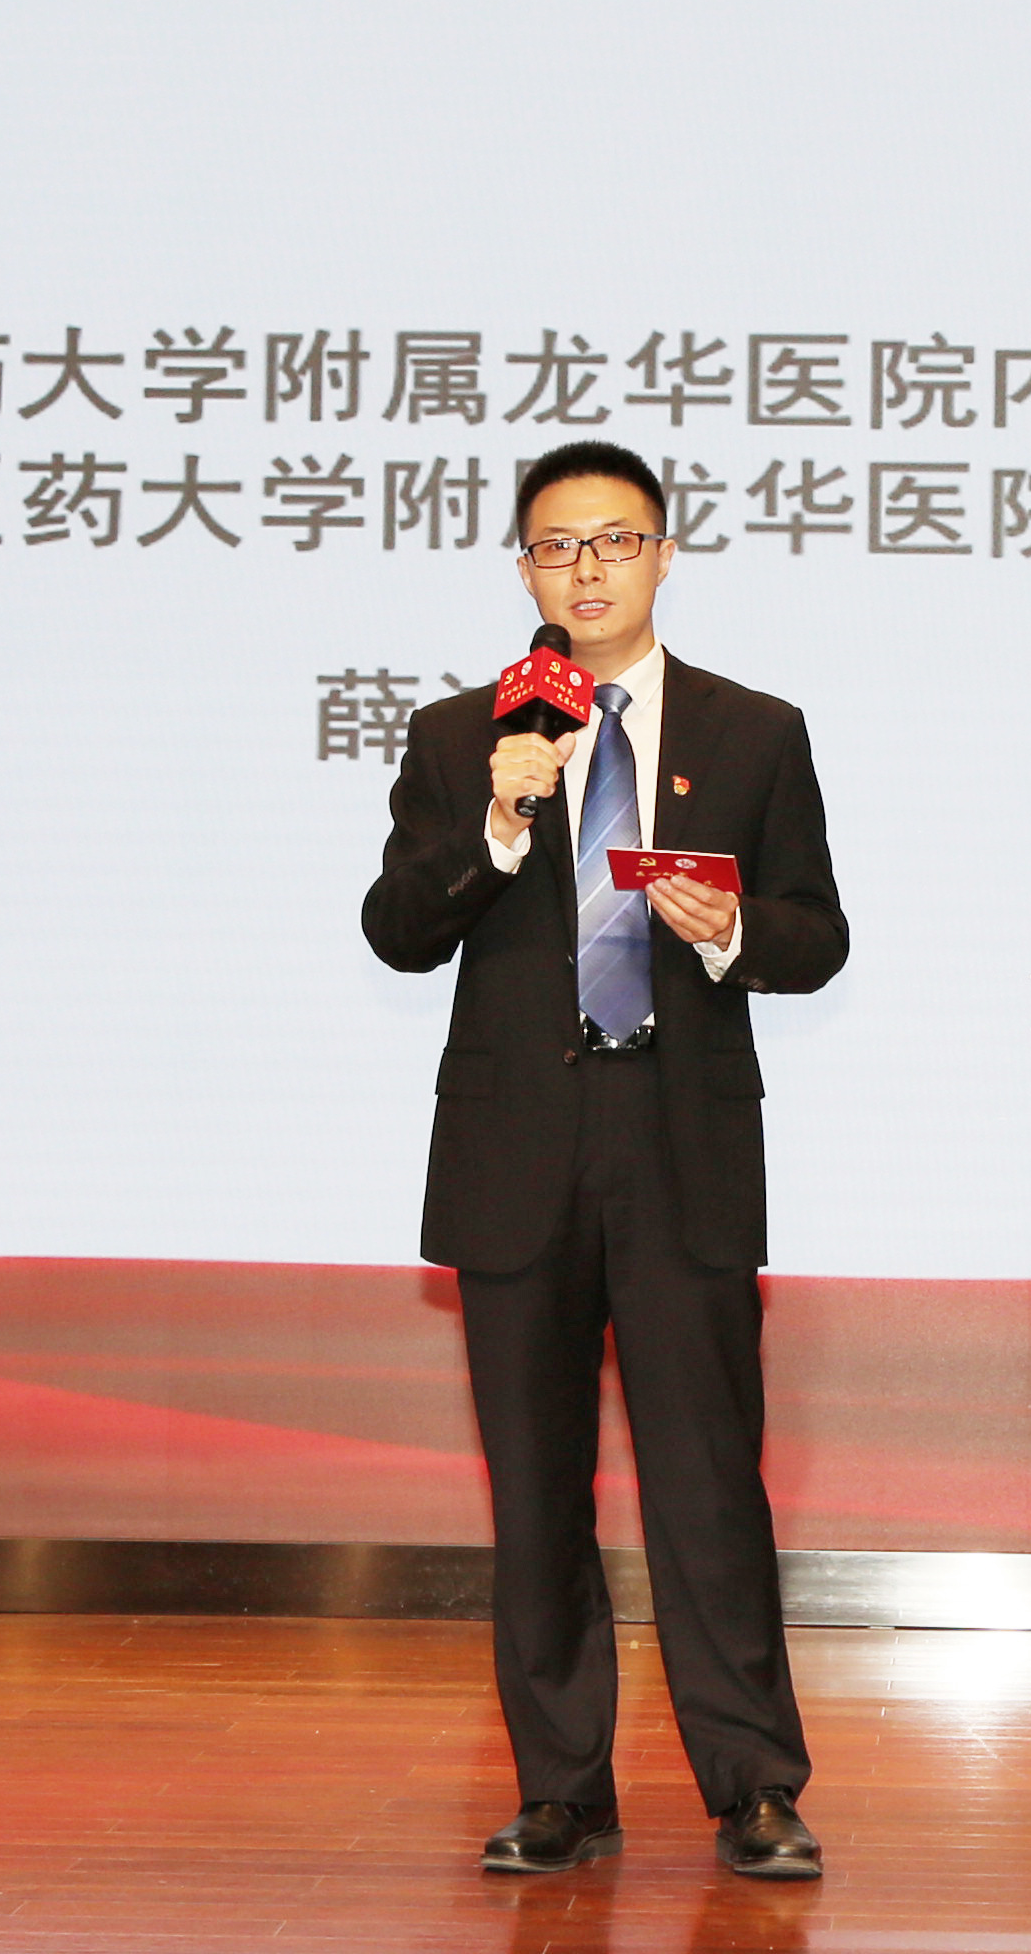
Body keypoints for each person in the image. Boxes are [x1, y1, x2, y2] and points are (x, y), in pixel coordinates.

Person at [359, 439, 849, 1882]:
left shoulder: (754, 731)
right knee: (536, 1489)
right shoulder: (463, 736)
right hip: (518, 1152)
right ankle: (561, 1787)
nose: (586, 569)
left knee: (709, 1484)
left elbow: (820, 935)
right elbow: (398, 928)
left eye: (615, 541)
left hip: (679, 1141)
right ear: (524, 569)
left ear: (664, 555)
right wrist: (501, 822)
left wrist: (733, 928)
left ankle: (754, 1785)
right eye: (556, 546)